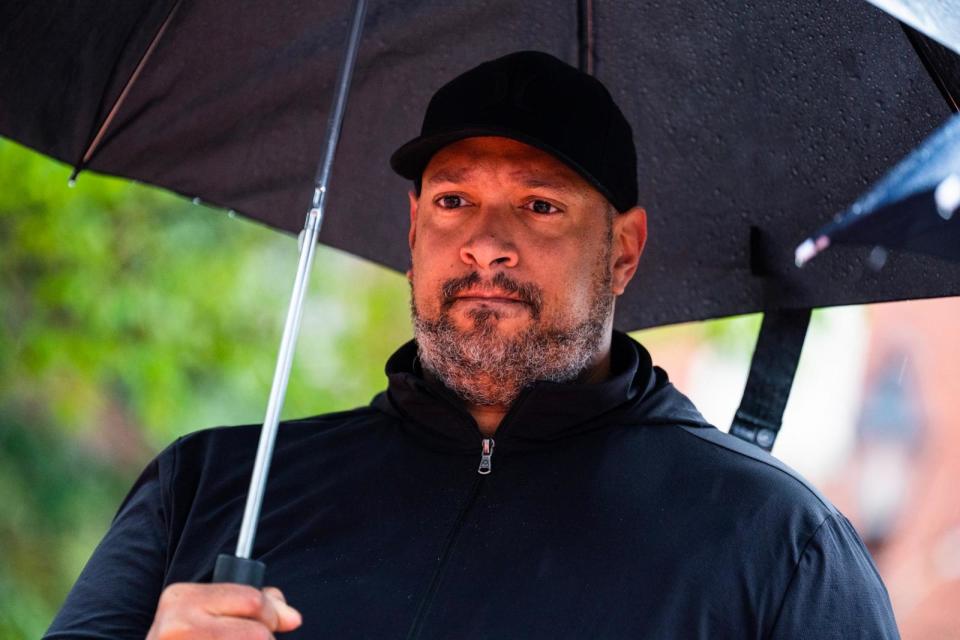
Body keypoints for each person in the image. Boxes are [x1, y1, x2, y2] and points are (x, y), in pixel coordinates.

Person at [45, 51, 899, 639]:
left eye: (539, 205)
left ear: (625, 250)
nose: (485, 243)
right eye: (453, 201)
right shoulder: (207, 489)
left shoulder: (776, 545)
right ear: (413, 227)